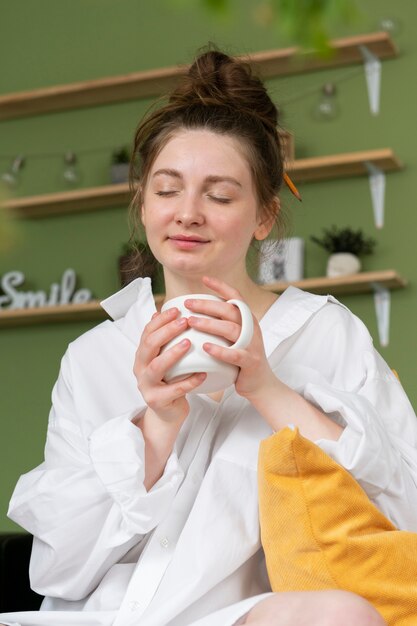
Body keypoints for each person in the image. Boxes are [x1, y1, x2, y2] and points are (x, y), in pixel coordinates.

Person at [1, 45, 416, 626]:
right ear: (142, 202)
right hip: (102, 617)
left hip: (242, 617)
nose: (188, 213)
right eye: (168, 190)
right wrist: (157, 424)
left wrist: (269, 389)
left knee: (340, 615)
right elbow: (57, 570)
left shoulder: (325, 332)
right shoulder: (94, 356)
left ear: (264, 216)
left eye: (220, 195)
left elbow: (402, 512)